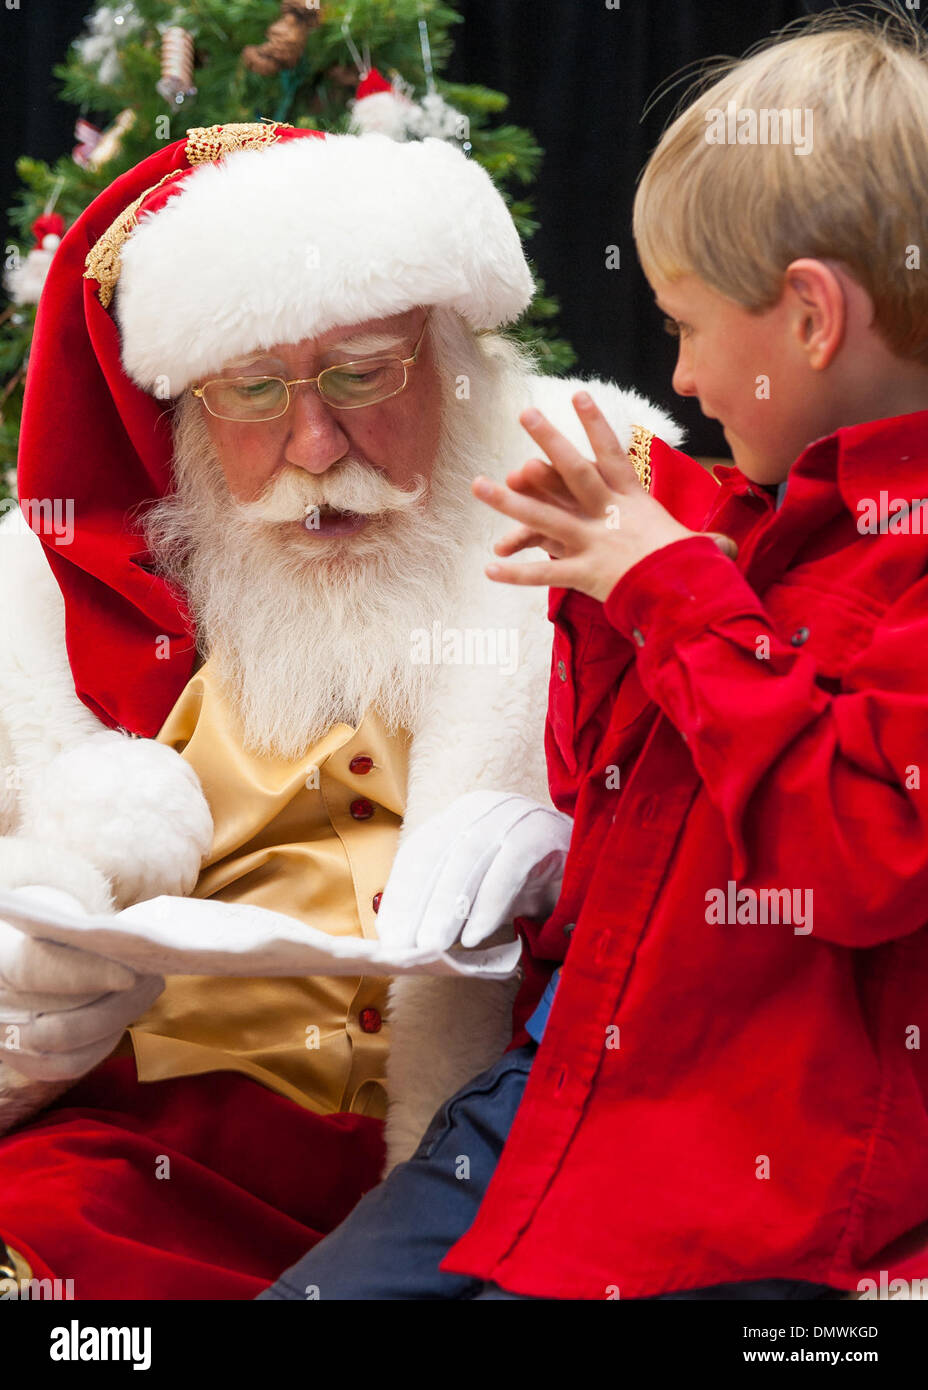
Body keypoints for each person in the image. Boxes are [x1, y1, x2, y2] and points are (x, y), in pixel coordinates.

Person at [258, 11, 928, 1301]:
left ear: (806, 317)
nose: (677, 372)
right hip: (559, 1100)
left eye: (682, 324)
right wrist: (596, 588)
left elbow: (854, 845)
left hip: (754, 1169)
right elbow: (622, 793)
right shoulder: (740, 515)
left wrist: (665, 584)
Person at [0, 121, 683, 1299]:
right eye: (252, 390)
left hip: (492, 1161)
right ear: (180, 410)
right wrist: (28, 995)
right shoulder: (44, 593)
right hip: (153, 1150)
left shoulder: (609, 509)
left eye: (366, 372)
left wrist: (570, 861)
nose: (316, 446)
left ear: (453, 351)